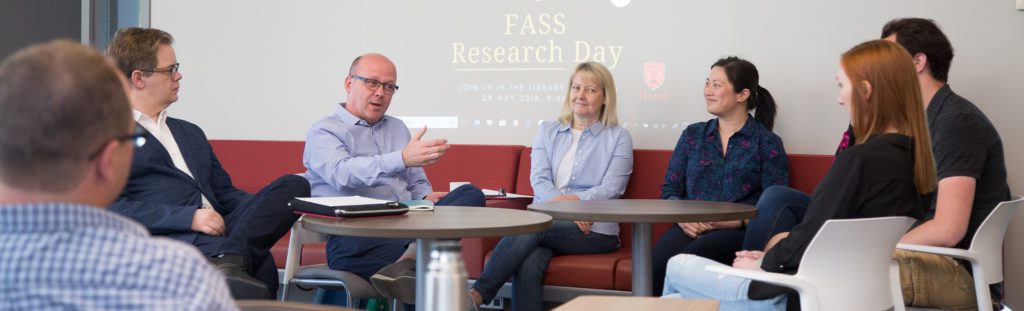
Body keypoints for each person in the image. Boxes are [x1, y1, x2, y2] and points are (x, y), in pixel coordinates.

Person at [662, 40, 935, 311]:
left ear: (865, 91)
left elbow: (813, 232)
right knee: (677, 300)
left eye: (842, 86)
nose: (839, 98)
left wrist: (764, 261)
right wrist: (774, 251)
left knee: (677, 266)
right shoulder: (914, 160)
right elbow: (824, 232)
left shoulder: (857, 160)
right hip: (848, 292)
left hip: (786, 294)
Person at [0, 40, 236, 310]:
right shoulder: (181, 279)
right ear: (107, 161)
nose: (177, 75)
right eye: (131, 141)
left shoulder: (189, 132)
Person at [106, 28, 310, 298]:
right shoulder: (111, 135)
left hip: (223, 229)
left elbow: (224, 193)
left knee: (295, 186)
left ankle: (230, 257)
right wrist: (189, 218)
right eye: (171, 69)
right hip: (174, 237)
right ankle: (231, 257)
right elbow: (112, 207)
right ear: (139, 78)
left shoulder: (190, 132)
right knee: (259, 261)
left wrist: (262, 206)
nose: (178, 75)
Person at [303, 53, 486, 305]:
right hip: (357, 240)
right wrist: (400, 158)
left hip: (408, 231)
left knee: (470, 194)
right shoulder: (325, 130)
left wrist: (425, 196)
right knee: (428, 273)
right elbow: (342, 174)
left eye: (389, 86)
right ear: (349, 84)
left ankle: (410, 259)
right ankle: (411, 262)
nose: (381, 93)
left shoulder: (397, 127)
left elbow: (416, 181)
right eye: (372, 83)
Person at [467, 62, 634, 311]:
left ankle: (476, 296)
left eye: (590, 89)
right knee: (529, 260)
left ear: (605, 97)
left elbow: (612, 188)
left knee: (530, 228)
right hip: (552, 221)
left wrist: (573, 208)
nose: (580, 95)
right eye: (576, 87)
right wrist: (565, 211)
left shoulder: (618, 136)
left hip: (596, 228)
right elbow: (539, 180)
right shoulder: (547, 130)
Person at [882, 18, 1012, 310]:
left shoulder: (955, 122)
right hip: (930, 260)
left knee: (831, 274)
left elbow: (948, 229)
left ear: (918, 61)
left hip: (956, 272)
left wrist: (878, 249)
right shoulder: (928, 120)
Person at [651, 56, 789, 294]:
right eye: (707, 83)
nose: (708, 91)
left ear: (742, 94)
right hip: (689, 226)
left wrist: (733, 221)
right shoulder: (693, 135)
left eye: (717, 85)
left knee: (692, 258)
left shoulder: (766, 142)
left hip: (738, 233)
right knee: (657, 260)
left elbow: (775, 206)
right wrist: (684, 219)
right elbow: (669, 191)